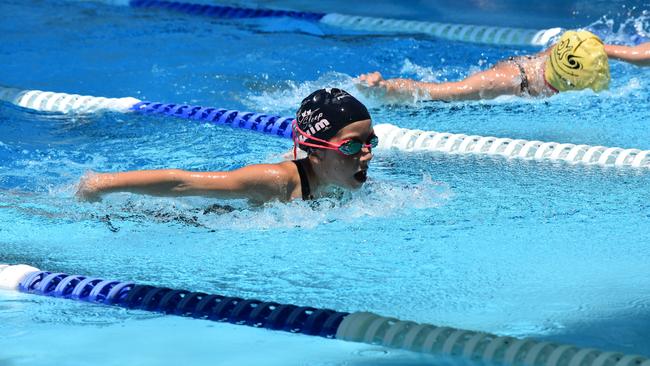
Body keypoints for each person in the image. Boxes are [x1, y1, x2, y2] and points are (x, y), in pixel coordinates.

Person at [76, 88, 377, 204]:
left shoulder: (342, 177)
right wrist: (101, 184)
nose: (367, 154)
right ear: (316, 149)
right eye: (351, 147)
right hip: (191, 222)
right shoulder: (275, 181)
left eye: (369, 142)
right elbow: (183, 183)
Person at [357, 30, 650, 102]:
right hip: (516, 78)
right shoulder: (501, 83)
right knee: (447, 95)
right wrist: (384, 87)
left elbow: (638, 54)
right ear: (571, 80)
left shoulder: (581, 49)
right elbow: (434, 90)